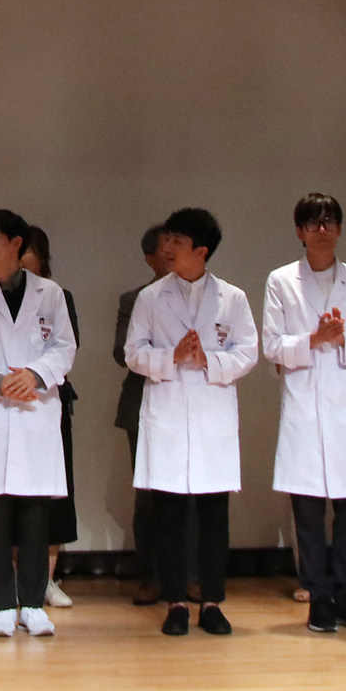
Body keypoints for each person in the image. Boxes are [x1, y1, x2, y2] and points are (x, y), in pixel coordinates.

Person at [126, 207, 258, 637]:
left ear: (201, 251)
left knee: (213, 515)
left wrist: (208, 361)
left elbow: (247, 354)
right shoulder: (150, 298)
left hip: (211, 413)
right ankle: (176, 603)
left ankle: (213, 602)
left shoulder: (232, 299)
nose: (167, 248)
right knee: (169, 515)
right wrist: (172, 356)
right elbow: (133, 353)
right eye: (166, 239)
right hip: (167, 411)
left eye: (177, 242)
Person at [263, 193, 346, 635]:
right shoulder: (281, 281)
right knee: (309, 515)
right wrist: (314, 339)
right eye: (313, 223)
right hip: (304, 407)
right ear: (299, 231)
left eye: (329, 222)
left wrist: (343, 341)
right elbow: (271, 345)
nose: (322, 229)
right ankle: (319, 598)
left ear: (339, 229)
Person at [0, 209, 77, 637]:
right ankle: (3, 605)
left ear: (17, 244)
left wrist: (35, 376)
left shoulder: (50, 293)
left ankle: (34, 604)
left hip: (36, 410)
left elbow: (64, 347)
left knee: (36, 515)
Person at [115, 223, 182, 606]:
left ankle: (190, 576)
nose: (172, 254)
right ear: (149, 258)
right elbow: (120, 351)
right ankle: (152, 576)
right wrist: (167, 351)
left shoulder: (204, 297)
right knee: (150, 496)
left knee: (193, 492)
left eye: (178, 245)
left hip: (192, 404)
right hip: (144, 403)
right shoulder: (135, 299)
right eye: (165, 248)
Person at [20, 225, 79, 607]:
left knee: (54, 491)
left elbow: (66, 349)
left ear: (42, 259)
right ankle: (17, 578)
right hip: (6, 402)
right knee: (14, 493)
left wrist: (34, 377)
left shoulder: (59, 296)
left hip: (50, 401)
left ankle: (47, 580)